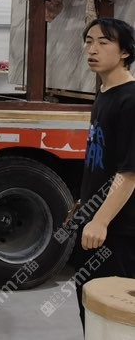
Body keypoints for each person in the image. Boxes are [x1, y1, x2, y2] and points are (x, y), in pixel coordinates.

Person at [72, 17, 135, 331]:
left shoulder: (130, 100)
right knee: (91, 310)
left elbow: (130, 173)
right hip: (93, 224)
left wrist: (101, 221)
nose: (92, 50)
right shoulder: (105, 93)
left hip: (119, 232)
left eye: (103, 42)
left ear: (125, 52)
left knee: (113, 319)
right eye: (88, 42)